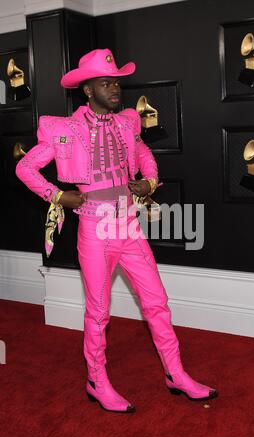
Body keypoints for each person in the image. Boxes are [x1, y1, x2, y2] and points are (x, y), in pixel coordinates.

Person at [15, 49, 218, 413]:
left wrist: (150, 180)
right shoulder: (65, 128)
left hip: (128, 226)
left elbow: (142, 155)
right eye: (106, 83)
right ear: (87, 90)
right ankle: (96, 380)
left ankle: (176, 373)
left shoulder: (127, 123)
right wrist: (58, 194)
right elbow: (26, 168)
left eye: (116, 82)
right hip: (94, 229)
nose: (114, 88)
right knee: (98, 311)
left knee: (157, 302)